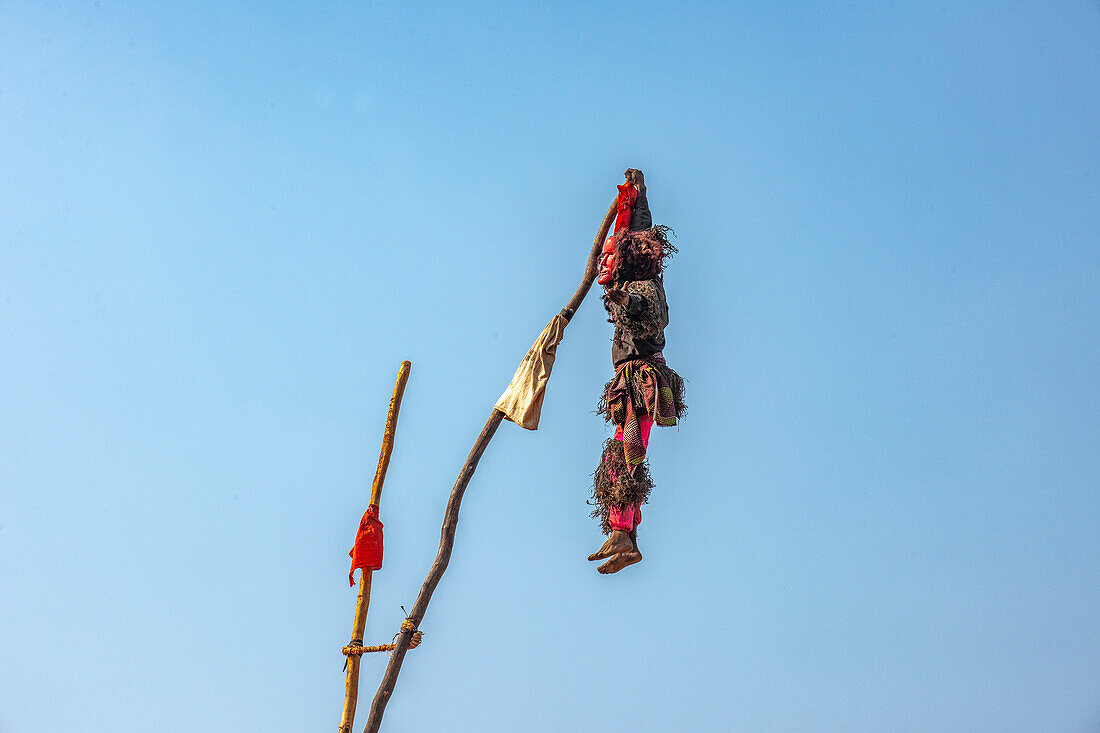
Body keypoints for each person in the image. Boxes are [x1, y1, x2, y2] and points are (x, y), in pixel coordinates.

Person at [587, 169, 686, 574]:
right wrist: (638, 197)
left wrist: (624, 297)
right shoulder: (630, 281)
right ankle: (621, 532)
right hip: (629, 380)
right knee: (619, 454)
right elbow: (635, 230)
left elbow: (649, 316)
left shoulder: (645, 288)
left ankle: (625, 535)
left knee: (628, 452)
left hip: (643, 380)